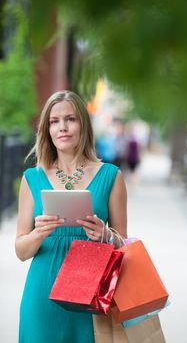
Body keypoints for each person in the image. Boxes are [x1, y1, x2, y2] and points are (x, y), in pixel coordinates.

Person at [15, 90, 127, 343]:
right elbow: (21, 251)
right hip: (42, 296)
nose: (62, 128)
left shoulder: (111, 176)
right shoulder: (32, 179)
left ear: (83, 125)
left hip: (90, 297)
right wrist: (39, 233)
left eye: (70, 119)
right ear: (46, 129)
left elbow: (125, 244)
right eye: (54, 121)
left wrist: (106, 235)